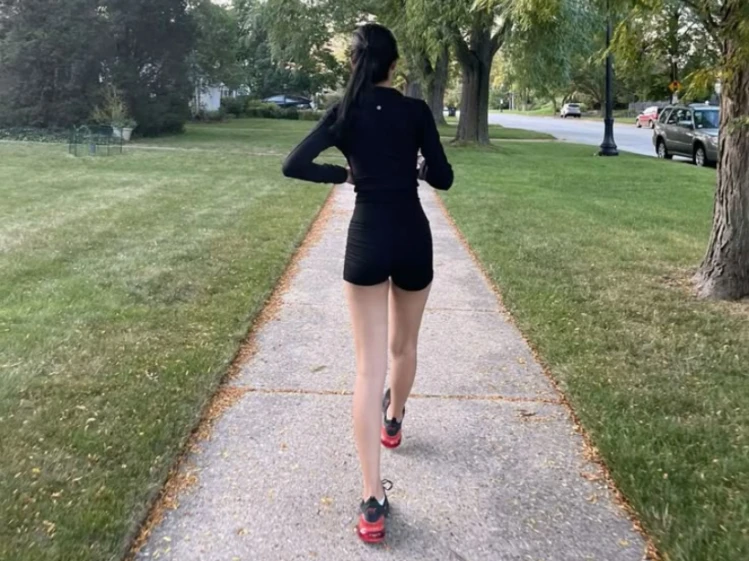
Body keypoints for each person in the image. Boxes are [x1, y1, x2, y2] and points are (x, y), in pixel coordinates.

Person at [282, 23, 453, 544]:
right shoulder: (415, 112)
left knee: (367, 368)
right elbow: (444, 178)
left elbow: (294, 164)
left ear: (354, 63)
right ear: (394, 65)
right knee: (405, 347)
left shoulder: (345, 112)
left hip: (367, 239)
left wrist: (344, 175)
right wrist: (420, 167)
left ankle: (372, 500)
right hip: (412, 235)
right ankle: (394, 419)